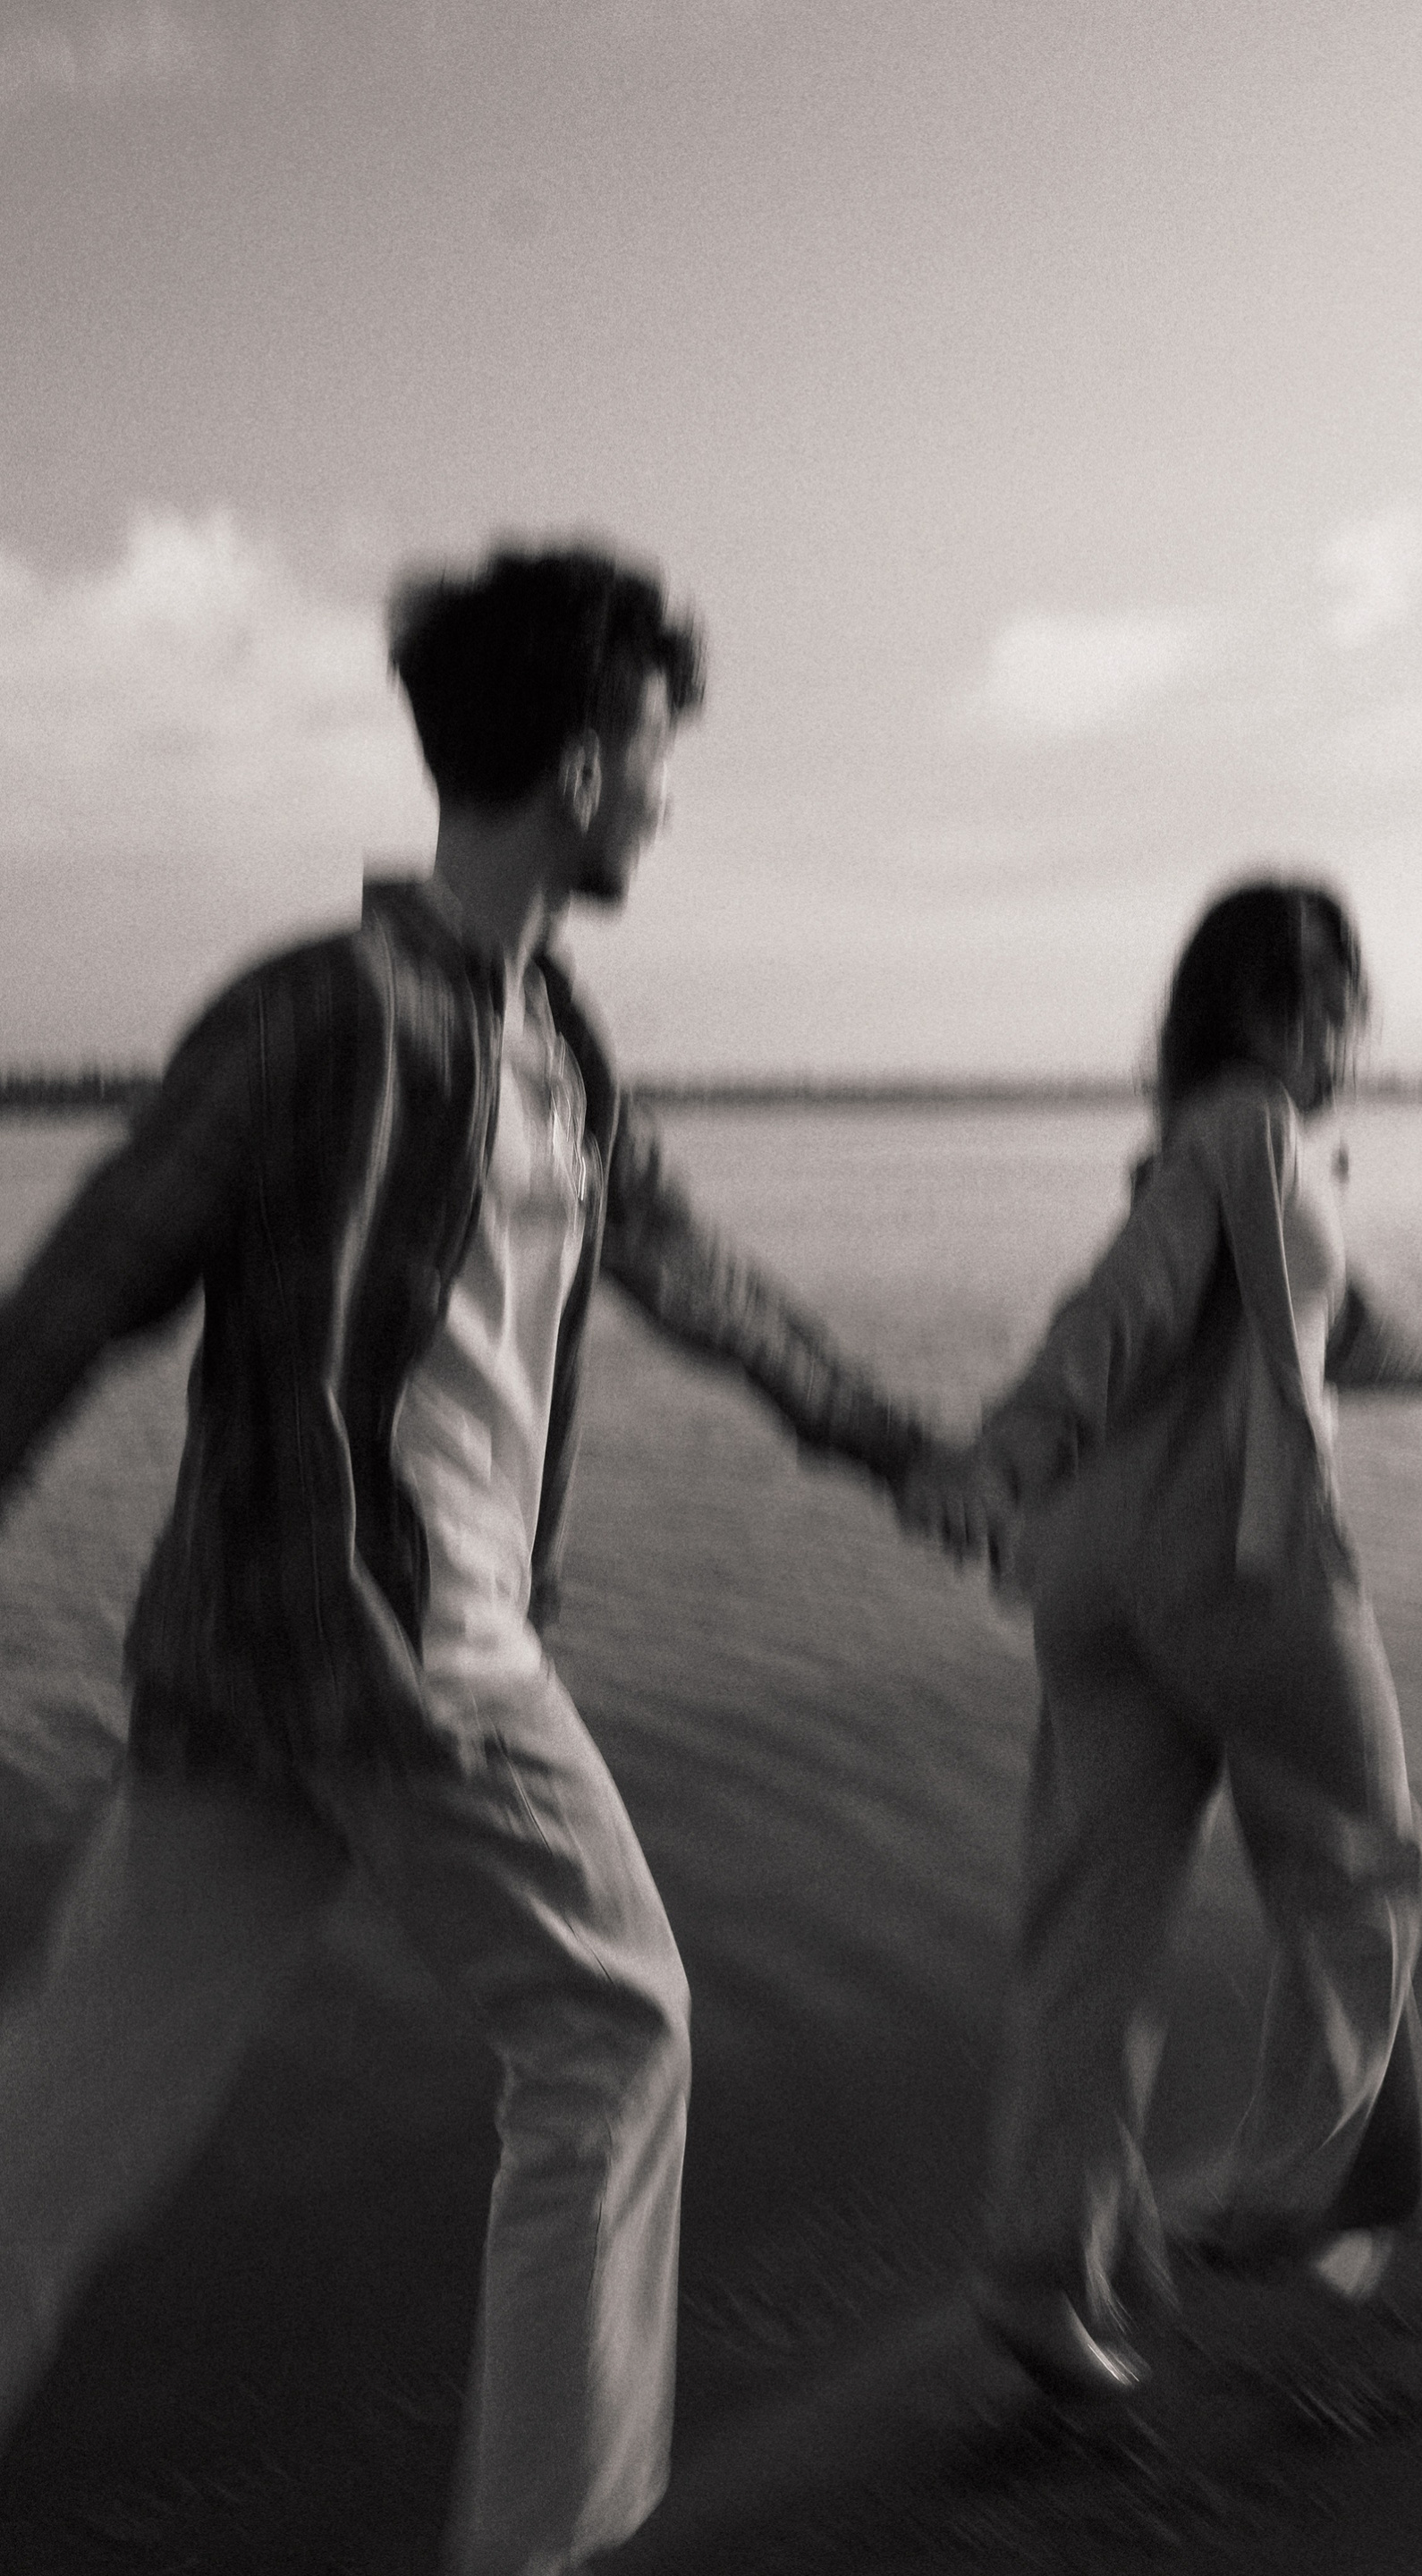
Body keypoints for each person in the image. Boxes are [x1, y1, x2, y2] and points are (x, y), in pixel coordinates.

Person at [0, 543, 924, 2573]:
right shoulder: (323, 1014)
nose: (666, 799)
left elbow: (699, 1277)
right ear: (583, 767)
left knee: (51, 2149)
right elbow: (73, 1299)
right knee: (616, 2032)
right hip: (392, 1648)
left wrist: (906, 1453)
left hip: (269, 1670)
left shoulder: (552, 1039)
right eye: (657, 757)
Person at [901, 877, 1422, 2402]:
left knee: (1095, 1926)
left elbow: (1327, 1324)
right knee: (1361, 1862)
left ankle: (1040, 2266)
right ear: (1272, 1014)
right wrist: (1006, 1445)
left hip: (1096, 1582)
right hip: (1233, 1560)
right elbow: (1125, 1306)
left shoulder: (1217, 1153)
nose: (1348, 1046)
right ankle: (1299, 2185)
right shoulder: (1249, 1133)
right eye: (1336, 1014)